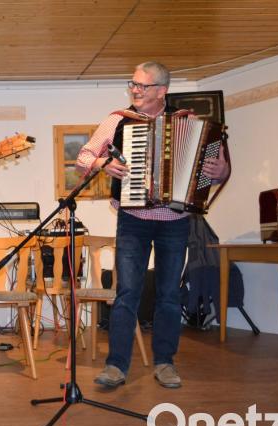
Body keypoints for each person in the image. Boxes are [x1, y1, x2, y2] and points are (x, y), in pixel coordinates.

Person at [76, 62, 229, 389]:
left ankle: (165, 362)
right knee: (127, 293)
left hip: (175, 221)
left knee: (169, 295)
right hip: (133, 220)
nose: (135, 90)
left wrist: (220, 172)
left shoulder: (188, 122)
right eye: (132, 84)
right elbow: (83, 158)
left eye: (143, 86)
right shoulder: (119, 120)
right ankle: (116, 366)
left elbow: (220, 170)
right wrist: (104, 163)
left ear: (162, 91)